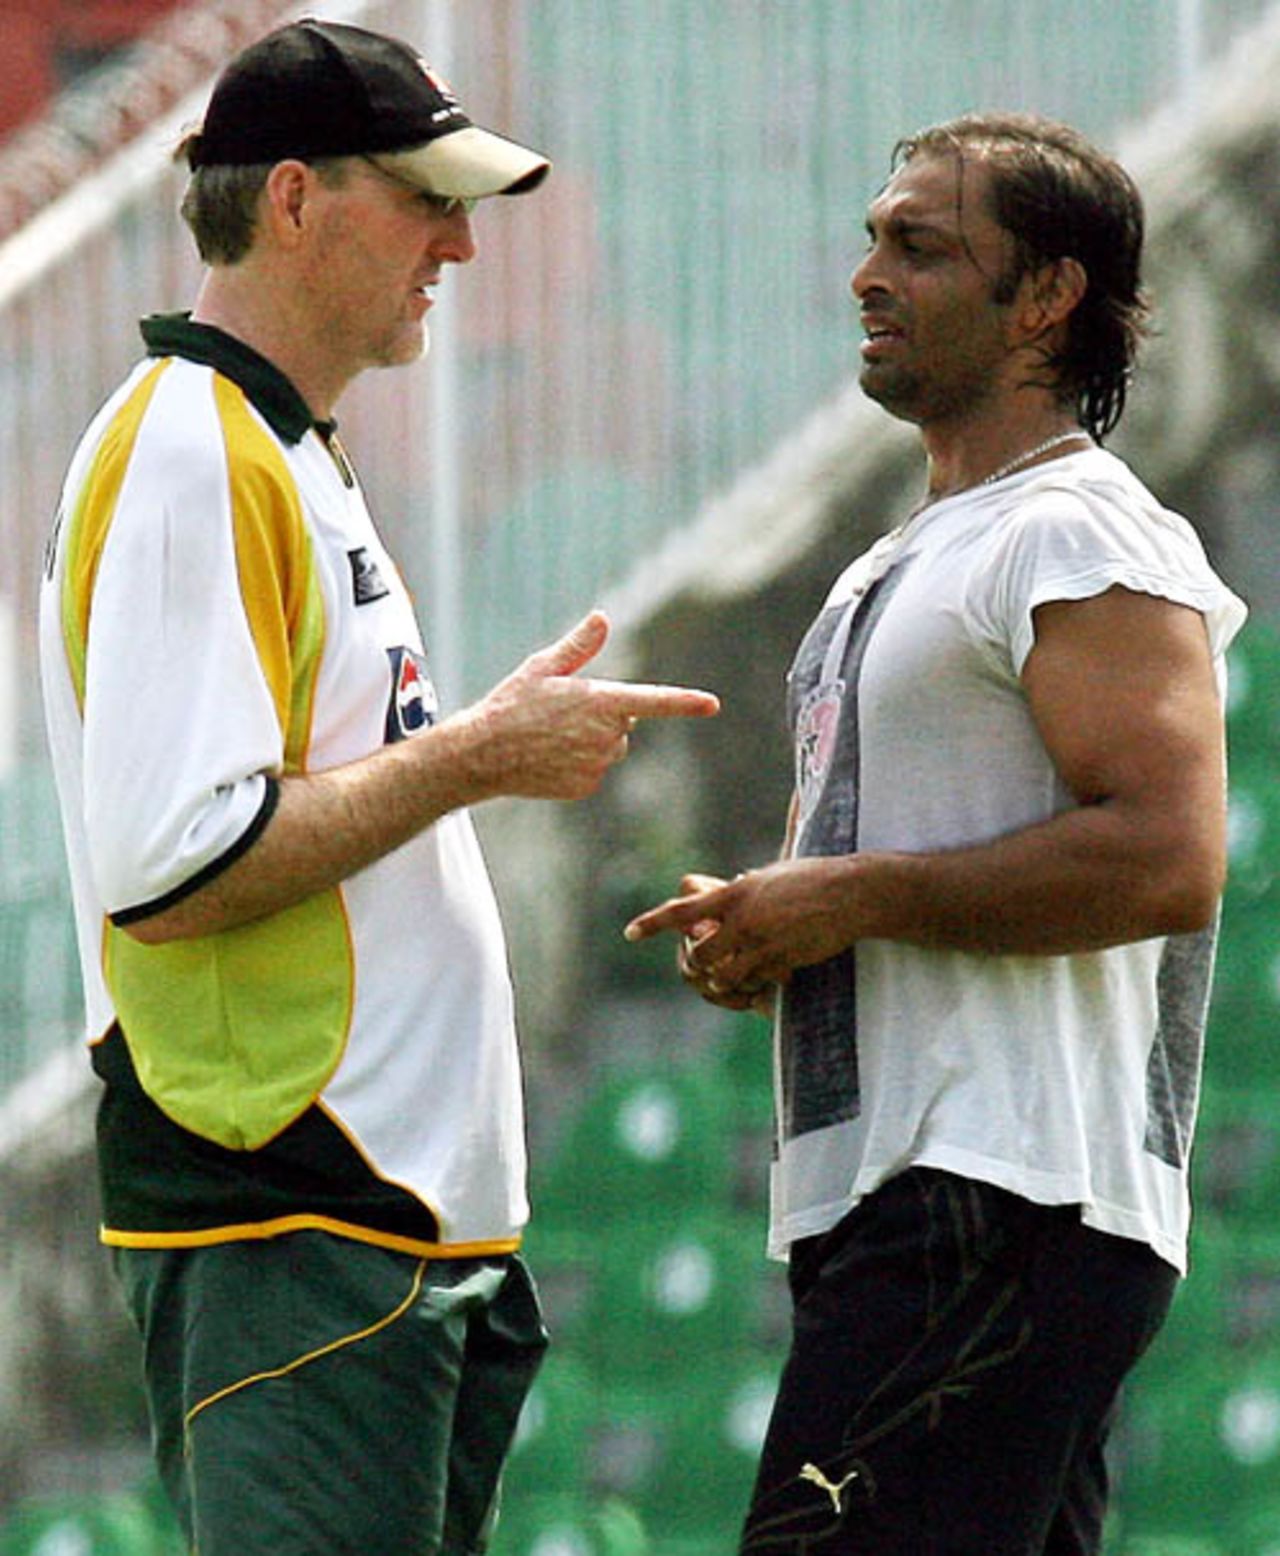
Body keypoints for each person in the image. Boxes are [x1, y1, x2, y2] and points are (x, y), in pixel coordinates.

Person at [38, 19, 718, 1555]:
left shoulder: (271, 445)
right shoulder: (193, 451)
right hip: (294, 1226)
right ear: (292, 200)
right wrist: (475, 754)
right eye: (427, 199)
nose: (461, 247)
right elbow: (176, 863)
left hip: (360, 1232)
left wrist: (469, 747)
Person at [625, 112, 1246, 1554]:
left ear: (1046, 299)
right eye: (871, 238)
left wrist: (847, 896)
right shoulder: (910, 556)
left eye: (921, 245)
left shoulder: (1080, 532)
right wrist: (781, 923)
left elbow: (1169, 853)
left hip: (996, 1196)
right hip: (924, 1202)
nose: (868, 274)